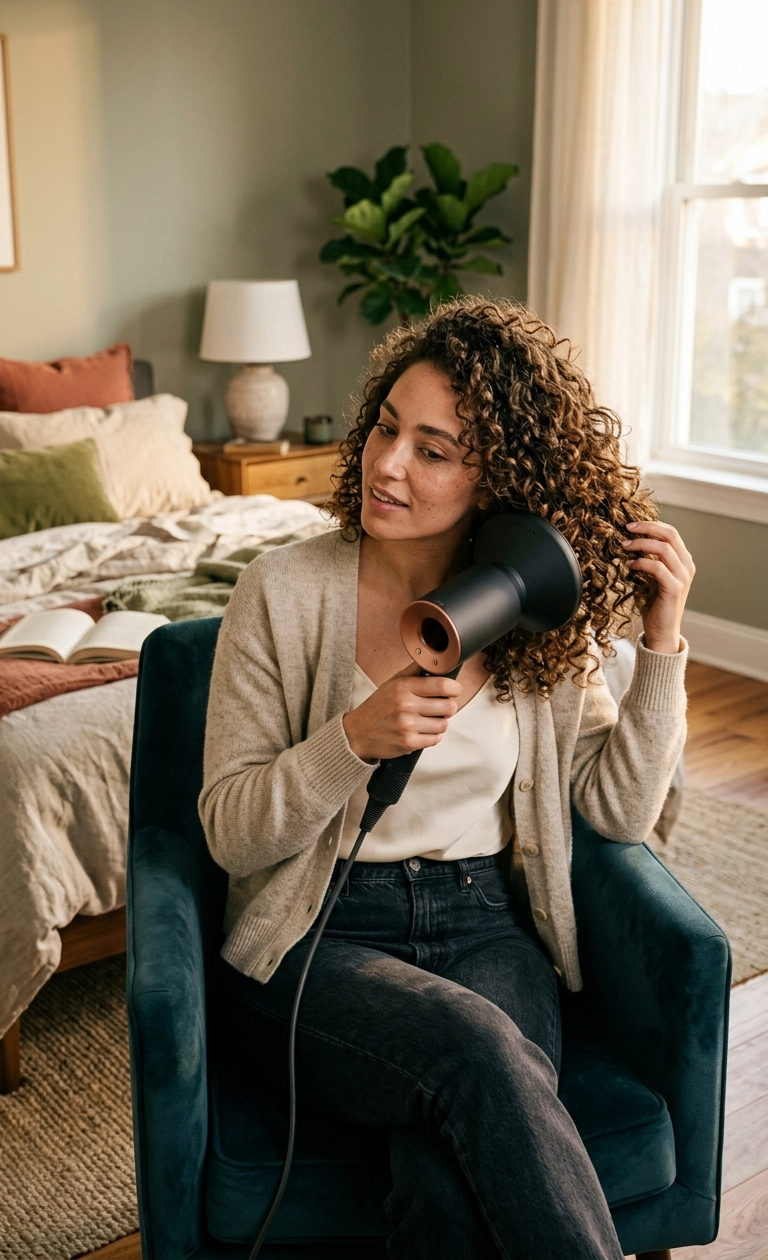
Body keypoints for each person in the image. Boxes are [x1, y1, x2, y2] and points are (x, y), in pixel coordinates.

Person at [199, 297, 695, 1260]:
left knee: (441, 1173)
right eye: (388, 427)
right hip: (317, 936)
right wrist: (351, 739)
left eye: (434, 449)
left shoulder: (533, 608)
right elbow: (230, 830)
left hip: (485, 928)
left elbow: (621, 813)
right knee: (474, 1051)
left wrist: (664, 641)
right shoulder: (283, 591)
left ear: (497, 475)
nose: (388, 464)